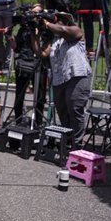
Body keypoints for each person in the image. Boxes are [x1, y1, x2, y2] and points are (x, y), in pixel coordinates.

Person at [37, 9, 92, 146]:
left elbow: (63, 30)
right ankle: (68, 140)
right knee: (62, 109)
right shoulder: (54, 40)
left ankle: (77, 143)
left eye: (59, 19)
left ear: (67, 21)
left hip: (77, 76)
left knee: (74, 109)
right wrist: (33, 33)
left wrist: (48, 24)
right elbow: (42, 53)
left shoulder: (76, 31)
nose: (56, 21)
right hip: (59, 80)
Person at [8, 18, 47, 126]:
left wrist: (36, 31)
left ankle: (38, 122)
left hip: (39, 66)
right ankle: (18, 121)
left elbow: (43, 50)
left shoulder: (42, 29)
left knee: (40, 96)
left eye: (36, 13)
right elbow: (16, 48)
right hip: (23, 64)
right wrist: (9, 37)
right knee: (19, 95)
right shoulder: (23, 30)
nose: (33, 16)